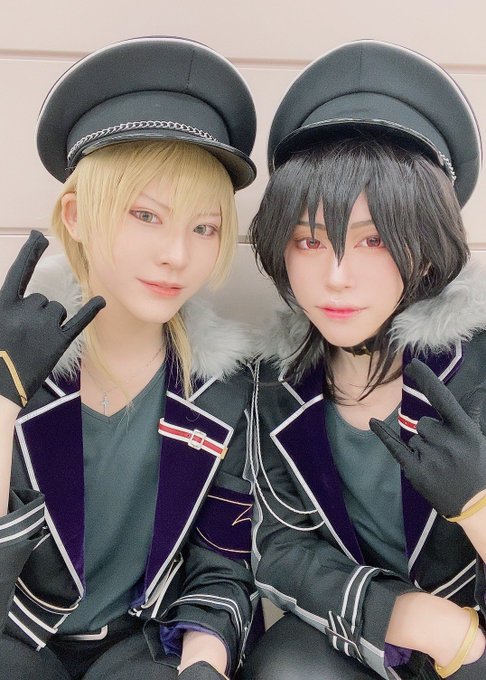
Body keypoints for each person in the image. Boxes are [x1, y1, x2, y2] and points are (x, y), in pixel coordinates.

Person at [0, 36, 259, 680]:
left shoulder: (223, 391)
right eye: (146, 214)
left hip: (142, 646)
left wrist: (204, 664)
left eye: (203, 227)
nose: (177, 254)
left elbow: (220, 565)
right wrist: (2, 398)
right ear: (75, 215)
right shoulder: (13, 352)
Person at [243, 40, 486, 679]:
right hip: (370, 638)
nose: (336, 277)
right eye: (309, 241)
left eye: (373, 240)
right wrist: (410, 617)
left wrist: (478, 506)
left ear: (426, 251)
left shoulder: (478, 367)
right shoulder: (279, 383)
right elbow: (281, 547)